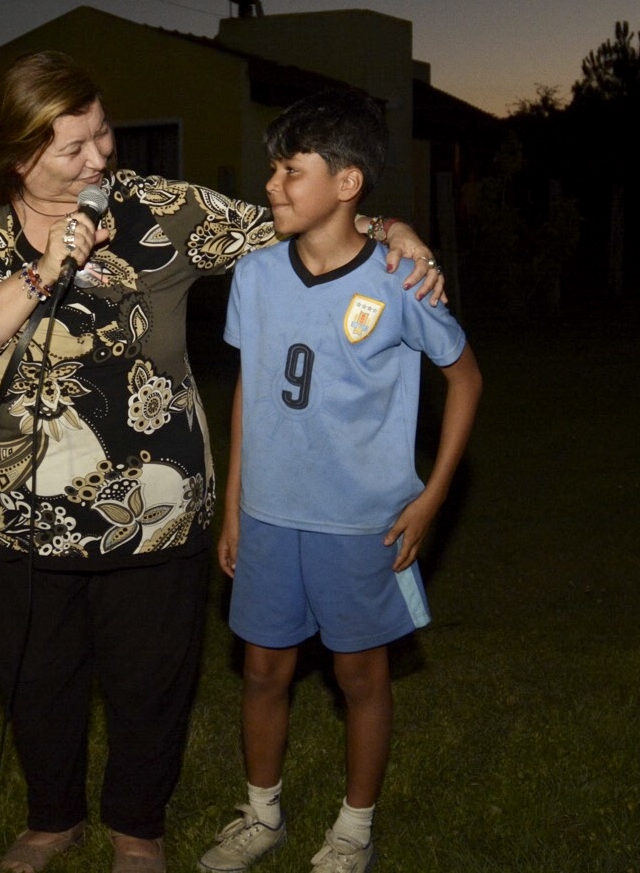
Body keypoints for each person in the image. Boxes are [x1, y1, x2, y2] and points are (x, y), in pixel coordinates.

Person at [0, 52, 446, 873]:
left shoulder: (156, 207)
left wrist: (389, 228)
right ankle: (50, 819)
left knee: (149, 683)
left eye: (102, 133)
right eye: (72, 148)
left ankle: (138, 828)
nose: (100, 157)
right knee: (37, 683)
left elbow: (283, 218)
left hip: (155, 509)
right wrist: (45, 267)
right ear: (19, 156)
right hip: (22, 512)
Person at [198, 89, 482, 873]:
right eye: (273, 169)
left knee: (361, 675)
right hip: (269, 517)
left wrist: (432, 497)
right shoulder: (255, 277)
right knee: (261, 670)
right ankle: (261, 816)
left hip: (361, 522)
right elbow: (250, 396)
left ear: (348, 182)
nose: (273, 185)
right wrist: (233, 508)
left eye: (292, 171)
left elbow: (465, 380)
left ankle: (354, 827)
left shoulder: (399, 279)